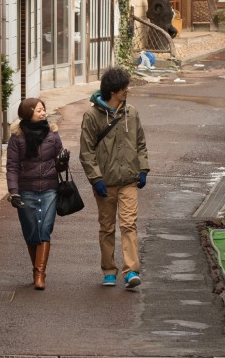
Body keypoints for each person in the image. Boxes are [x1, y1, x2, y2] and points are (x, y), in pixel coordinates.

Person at [79, 67, 149, 288]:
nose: (128, 90)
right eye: (124, 87)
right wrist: (95, 178)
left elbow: (140, 143)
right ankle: (108, 270)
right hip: (105, 182)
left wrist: (143, 169)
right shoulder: (92, 116)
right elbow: (86, 151)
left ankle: (131, 272)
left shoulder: (132, 112)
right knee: (107, 227)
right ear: (113, 90)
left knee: (129, 225)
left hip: (128, 180)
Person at [6, 98, 69, 290]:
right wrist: (13, 192)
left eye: (44, 109)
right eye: (39, 110)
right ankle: (36, 268)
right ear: (28, 113)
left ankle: (40, 273)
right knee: (31, 232)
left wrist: (63, 161)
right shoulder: (17, 138)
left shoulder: (52, 134)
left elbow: (59, 160)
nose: (43, 113)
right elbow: (12, 167)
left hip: (50, 188)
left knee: (45, 230)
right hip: (26, 190)